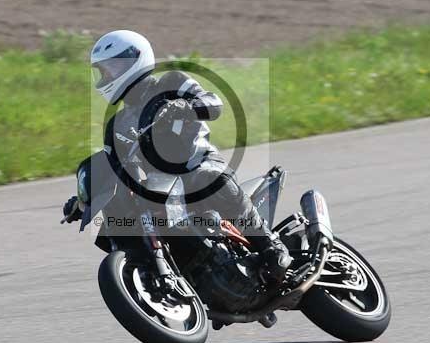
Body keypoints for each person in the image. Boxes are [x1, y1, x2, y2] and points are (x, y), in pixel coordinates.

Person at [62, 30, 292, 280]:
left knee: (209, 179)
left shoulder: (170, 82)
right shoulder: (116, 124)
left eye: (113, 67)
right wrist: (84, 198)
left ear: (135, 59)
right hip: (159, 184)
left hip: (197, 162)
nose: (107, 75)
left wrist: (187, 105)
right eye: (103, 71)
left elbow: (214, 103)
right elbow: (110, 164)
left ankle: (270, 245)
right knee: (120, 219)